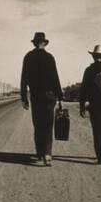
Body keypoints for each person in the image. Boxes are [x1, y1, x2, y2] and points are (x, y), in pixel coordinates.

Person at [20, 32, 63, 166]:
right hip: (50, 96)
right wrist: (60, 96)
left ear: (34, 43)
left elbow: (24, 79)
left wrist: (24, 97)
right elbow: (55, 77)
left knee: (38, 125)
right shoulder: (50, 57)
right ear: (44, 43)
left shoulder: (28, 57)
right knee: (48, 125)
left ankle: (39, 153)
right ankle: (47, 154)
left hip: (36, 96)